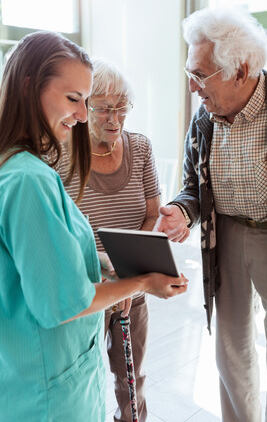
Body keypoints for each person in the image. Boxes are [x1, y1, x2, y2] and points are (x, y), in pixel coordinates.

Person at [0, 31, 188, 422]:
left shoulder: (17, 166)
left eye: (87, 102)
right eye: (75, 100)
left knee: (129, 375)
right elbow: (64, 303)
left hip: (37, 372)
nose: (84, 116)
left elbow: (41, 260)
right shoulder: (30, 179)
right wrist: (141, 283)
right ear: (28, 87)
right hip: (50, 392)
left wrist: (105, 262)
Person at [154, 6, 267, 422]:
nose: (192, 86)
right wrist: (181, 210)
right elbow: (194, 186)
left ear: (240, 69)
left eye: (200, 74)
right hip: (225, 235)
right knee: (230, 351)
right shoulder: (205, 118)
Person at [57, 58, 160, 422]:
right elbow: (59, 229)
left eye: (122, 108)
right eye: (103, 109)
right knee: (80, 375)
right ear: (84, 108)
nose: (115, 119)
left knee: (131, 377)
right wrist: (103, 273)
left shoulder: (142, 149)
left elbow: (152, 215)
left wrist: (129, 277)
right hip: (85, 287)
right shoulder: (62, 154)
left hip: (132, 282)